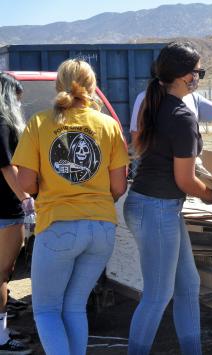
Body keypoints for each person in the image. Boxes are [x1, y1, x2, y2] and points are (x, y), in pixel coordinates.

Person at [12, 59, 130, 355]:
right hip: (102, 228)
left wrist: (48, 192)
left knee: (47, 310)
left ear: (57, 86)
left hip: (58, 227)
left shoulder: (39, 123)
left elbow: (25, 182)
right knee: (74, 307)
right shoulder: (109, 125)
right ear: (92, 88)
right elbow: (119, 186)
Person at [123, 41, 212, 355]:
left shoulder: (156, 103)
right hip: (157, 209)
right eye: (198, 72)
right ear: (184, 77)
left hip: (154, 206)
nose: (199, 78)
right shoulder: (181, 116)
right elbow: (185, 180)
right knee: (157, 295)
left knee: (188, 285)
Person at [0, 73, 32, 354]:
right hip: (5, 207)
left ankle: (3, 331)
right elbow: (6, 165)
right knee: (2, 273)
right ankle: (1, 340)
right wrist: (24, 197)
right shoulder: (1, 122)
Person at [129, 76, 212, 144]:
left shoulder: (194, 98)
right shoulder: (145, 98)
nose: (197, 77)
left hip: (188, 164)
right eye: (195, 73)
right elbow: (136, 135)